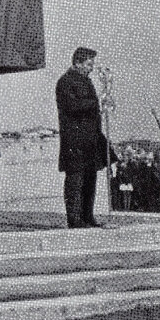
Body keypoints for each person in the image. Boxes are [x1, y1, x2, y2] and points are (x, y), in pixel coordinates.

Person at [54, 47, 109, 228]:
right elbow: (72, 106)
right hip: (75, 140)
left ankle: (88, 216)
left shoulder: (87, 81)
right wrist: (96, 102)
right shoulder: (65, 82)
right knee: (75, 181)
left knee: (90, 179)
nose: (91, 68)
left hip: (90, 140)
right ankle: (75, 218)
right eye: (88, 64)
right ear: (77, 63)